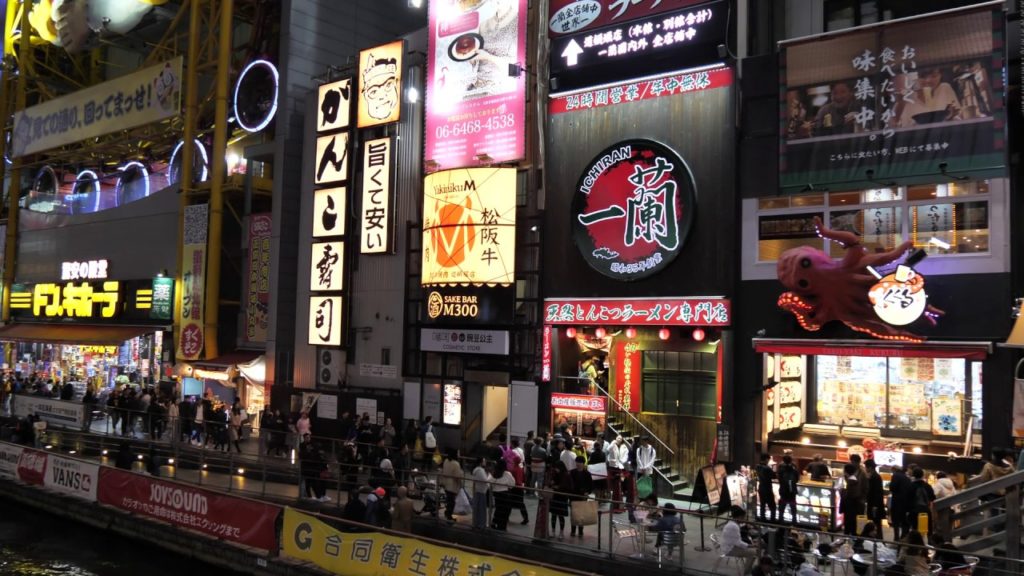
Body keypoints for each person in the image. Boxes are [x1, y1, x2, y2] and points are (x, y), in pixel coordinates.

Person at [721, 506, 758, 574]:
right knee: (753, 552)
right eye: (743, 517)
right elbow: (738, 543)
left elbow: (737, 541)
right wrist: (752, 545)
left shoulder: (732, 523)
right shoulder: (734, 526)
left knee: (752, 549)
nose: (744, 519)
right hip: (730, 549)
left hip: (729, 546)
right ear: (739, 517)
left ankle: (748, 568)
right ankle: (746, 572)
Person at [568, 455, 593, 538]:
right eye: (577, 462)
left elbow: (590, 485)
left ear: (583, 463)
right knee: (573, 514)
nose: (578, 464)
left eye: (580, 462)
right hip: (573, 496)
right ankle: (573, 530)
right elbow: (569, 484)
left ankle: (580, 531)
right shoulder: (572, 472)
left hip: (582, 496)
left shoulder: (587, 474)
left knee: (581, 515)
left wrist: (587, 492)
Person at [907, 467, 935, 536]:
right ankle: (929, 542)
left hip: (914, 510)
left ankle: (915, 542)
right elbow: (932, 497)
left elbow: (907, 498)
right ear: (922, 475)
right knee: (928, 529)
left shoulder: (910, 485)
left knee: (915, 529)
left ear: (913, 475)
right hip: (926, 510)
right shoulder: (927, 486)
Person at [488, 459, 515, 531]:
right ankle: (502, 526)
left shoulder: (494, 474)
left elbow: (489, 483)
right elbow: (512, 484)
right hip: (505, 494)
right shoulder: (507, 474)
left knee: (498, 509)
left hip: (496, 494)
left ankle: (495, 523)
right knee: (505, 511)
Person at [549, 460, 572, 540]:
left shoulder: (566, 475)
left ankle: (561, 532)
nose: (556, 469)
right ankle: (553, 531)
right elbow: (552, 483)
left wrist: (557, 487)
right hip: (555, 496)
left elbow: (567, 487)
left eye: (557, 468)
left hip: (562, 497)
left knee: (560, 516)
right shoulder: (556, 474)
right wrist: (552, 483)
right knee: (553, 515)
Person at [889, 465, 912, 541]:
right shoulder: (907, 478)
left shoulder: (895, 476)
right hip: (905, 503)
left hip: (897, 502)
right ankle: (903, 538)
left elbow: (892, 487)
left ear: (894, 470)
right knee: (904, 521)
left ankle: (896, 538)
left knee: (896, 521)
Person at [840, 463, 862, 536]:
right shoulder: (852, 479)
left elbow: (849, 495)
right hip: (853, 507)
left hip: (850, 508)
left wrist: (842, 492)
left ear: (846, 471)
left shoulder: (851, 481)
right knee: (852, 526)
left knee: (849, 525)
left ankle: (848, 539)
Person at [441, 448, 463, 522]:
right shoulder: (456, 464)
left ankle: (447, 513)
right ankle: (449, 515)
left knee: (449, 499)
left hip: (445, 482)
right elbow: (457, 476)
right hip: (452, 484)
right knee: (452, 501)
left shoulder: (446, 461)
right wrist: (460, 483)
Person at [777, 454, 800, 524]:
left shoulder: (781, 468)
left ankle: (781, 522)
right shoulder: (794, 468)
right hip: (792, 491)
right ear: (791, 460)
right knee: (793, 506)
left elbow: (779, 479)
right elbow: (797, 479)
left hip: (783, 490)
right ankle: (794, 522)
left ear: (783, 460)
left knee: (782, 506)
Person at [756, 453, 777, 523]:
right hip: (767, 489)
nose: (768, 461)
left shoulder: (757, 466)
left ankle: (762, 521)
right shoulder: (767, 468)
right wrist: (773, 469)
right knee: (772, 507)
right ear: (766, 459)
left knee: (762, 505)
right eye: (768, 460)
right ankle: (772, 522)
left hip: (761, 488)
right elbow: (774, 476)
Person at [865, 459, 885, 529]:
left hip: (874, 505)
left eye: (866, 467)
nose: (865, 469)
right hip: (874, 504)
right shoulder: (874, 476)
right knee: (875, 523)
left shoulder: (875, 477)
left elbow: (877, 492)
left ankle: (877, 535)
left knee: (876, 523)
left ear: (870, 467)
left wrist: (875, 506)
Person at [510, 454, 529, 525]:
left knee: (509, 503)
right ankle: (525, 518)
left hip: (514, 488)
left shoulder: (513, 470)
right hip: (520, 488)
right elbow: (524, 479)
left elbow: (512, 480)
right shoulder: (521, 469)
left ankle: (506, 516)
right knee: (521, 504)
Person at [471, 457, 489, 530]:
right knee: (481, 509)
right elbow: (485, 480)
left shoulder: (476, 470)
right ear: (480, 462)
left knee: (477, 508)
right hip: (481, 490)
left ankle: (476, 523)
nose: (485, 462)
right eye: (484, 461)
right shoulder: (480, 470)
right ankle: (481, 524)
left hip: (478, 490)